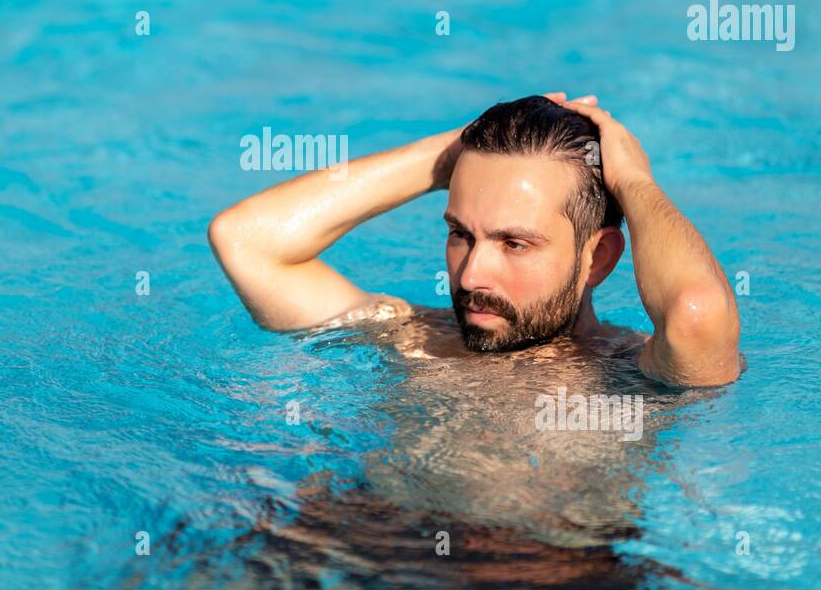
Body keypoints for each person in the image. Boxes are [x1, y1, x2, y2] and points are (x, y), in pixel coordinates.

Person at [208, 92, 742, 387]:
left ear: (597, 259)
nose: (470, 277)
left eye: (515, 243)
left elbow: (696, 311)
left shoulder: (629, 377)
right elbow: (245, 241)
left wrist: (634, 182)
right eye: (461, 234)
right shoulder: (413, 338)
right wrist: (450, 155)